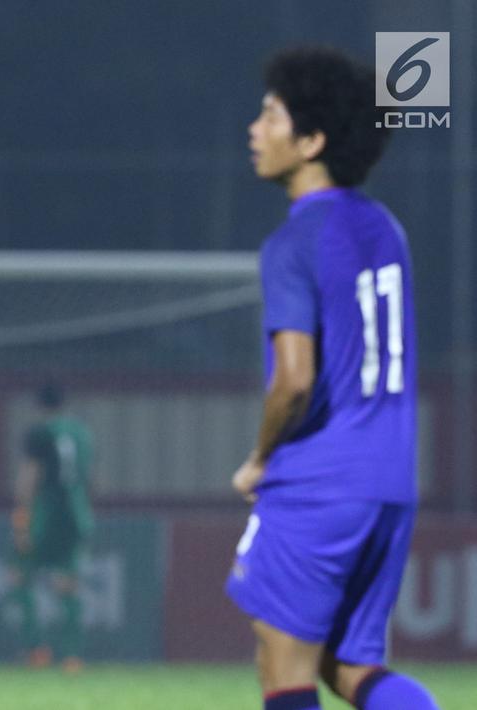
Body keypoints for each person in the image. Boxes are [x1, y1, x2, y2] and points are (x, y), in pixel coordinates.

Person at [226, 46, 439, 710]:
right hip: (390, 478)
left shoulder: (292, 242)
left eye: (269, 116)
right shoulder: (385, 229)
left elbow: (293, 379)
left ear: (311, 140)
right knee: (346, 664)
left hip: (320, 479)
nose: (253, 131)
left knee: (280, 663)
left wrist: (258, 458)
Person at [11, 383, 94, 673]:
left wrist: (22, 515)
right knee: (68, 583)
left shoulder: (40, 432)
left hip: (47, 512)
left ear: (39, 406)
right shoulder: (82, 434)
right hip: (78, 512)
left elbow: (30, 475)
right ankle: (72, 656)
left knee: (20, 576)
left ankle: (36, 650)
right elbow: (88, 477)